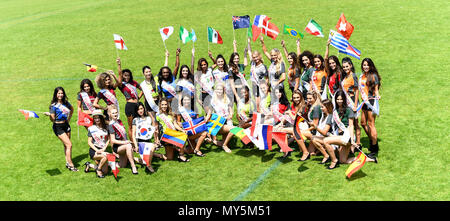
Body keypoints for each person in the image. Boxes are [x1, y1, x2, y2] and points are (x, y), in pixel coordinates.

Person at [322, 90, 377, 169]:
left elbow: (351, 126)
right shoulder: (335, 111)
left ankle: (334, 161)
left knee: (325, 141)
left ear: (344, 99)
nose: (339, 101)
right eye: (337, 99)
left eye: (341, 99)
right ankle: (369, 159)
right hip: (341, 136)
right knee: (343, 160)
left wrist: (352, 140)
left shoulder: (349, 110)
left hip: (347, 137)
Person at [44, 87, 77, 172]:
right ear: (56, 94)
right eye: (58, 93)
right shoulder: (53, 106)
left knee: (66, 145)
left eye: (62, 93)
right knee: (69, 145)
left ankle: (67, 162)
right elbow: (53, 120)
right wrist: (50, 116)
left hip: (66, 125)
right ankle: (71, 165)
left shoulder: (66, 103)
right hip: (58, 127)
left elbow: (72, 110)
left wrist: (68, 120)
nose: (60, 95)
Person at [131, 102, 166, 173]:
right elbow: (133, 135)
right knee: (146, 159)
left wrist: (156, 138)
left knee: (152, 147)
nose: (140, 111)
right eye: (138, 109)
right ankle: (147, 164)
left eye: (141, 108)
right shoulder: (135, 120)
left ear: (144, 109)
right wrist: (135, 146)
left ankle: (148, 163)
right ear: (136, 111)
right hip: (140, 143)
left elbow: (152, 130)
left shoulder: (148, 118)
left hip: (148, 141)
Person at [115, 57, 142, 141]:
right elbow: (119, 75)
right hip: (130, 105)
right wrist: (119, 65)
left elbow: (142, 89)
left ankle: (140, 140)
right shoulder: (121, 84)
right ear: (122, 76)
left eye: (128, 75)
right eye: (125, 75)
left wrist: (138, 97)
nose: (127, 77)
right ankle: (133, 143)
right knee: (131, 126)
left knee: (139, 124)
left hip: (138, 105)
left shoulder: (133, 82)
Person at [359, 58, 381, 157]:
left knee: (371, 124)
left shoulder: (373, 76)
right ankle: (372, 139)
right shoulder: (362, 76)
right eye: (364, 65)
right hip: (364, 102)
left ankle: (374, 147)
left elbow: (376, 89)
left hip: (371, 101)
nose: (365, 66)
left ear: (370, 66)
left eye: (367, 65)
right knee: (363, 123)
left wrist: (378, 95)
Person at [155, 98, 190, 162]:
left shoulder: (170, 114)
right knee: (169, 157)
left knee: (183, 135)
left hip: (172, 134)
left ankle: (181, 155)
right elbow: (156, 128)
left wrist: (182, 130)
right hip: (165, 136)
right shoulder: (157, 115)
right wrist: (156, 139)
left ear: (167, 105)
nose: (164, 106)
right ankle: (154, 154)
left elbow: (175, 124)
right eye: (162, 104)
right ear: (160, 105)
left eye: (165, 104)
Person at [107, 106, 139, 174]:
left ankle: (108, 163)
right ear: (110, 114)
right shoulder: (111, 125)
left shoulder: (119, 121)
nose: (115, 114)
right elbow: (113, 140)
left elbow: (123, 134)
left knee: (122, 165)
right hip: (118, 147)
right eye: (113, 113)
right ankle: (133, 167)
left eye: (116, 112)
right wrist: (125, 142)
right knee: (128, 146)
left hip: (123, 144)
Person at [341, 57, 361, 151]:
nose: (345, 68)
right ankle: (352, 142)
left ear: (351, 66)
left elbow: (357, 91)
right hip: (347, 102)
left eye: (347, 66)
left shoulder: (353, 76)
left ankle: (358, 143)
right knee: (350, 123)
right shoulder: (345, 76)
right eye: (344, 67)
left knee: (355, 123)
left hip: (353, 101)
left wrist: (356, 105)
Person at [84, 110, 110, 178]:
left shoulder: (106, 127)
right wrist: (97, 150)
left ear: (101, 118)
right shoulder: (91, 128)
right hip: (94, 150)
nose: (97, 119)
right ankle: (98, 170)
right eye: (95, 118)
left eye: (98, 117)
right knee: (105, 157)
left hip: (103, 149)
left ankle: (89, 165)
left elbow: (109, 139)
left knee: (105, 172)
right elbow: (89, 142)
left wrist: (104, 148)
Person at [247, 37, 268, 113]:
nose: (255, 59)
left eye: (256, 57)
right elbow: (249, 52)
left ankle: (260, 115)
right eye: (254, 57)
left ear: (260, 56)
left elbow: (266, 78)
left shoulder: (262, 67)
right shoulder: (253, 63)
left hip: (259, 86)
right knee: (254, 102)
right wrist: (249, 42)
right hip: (253, 85)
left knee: (259, 103)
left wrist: (265, 88)